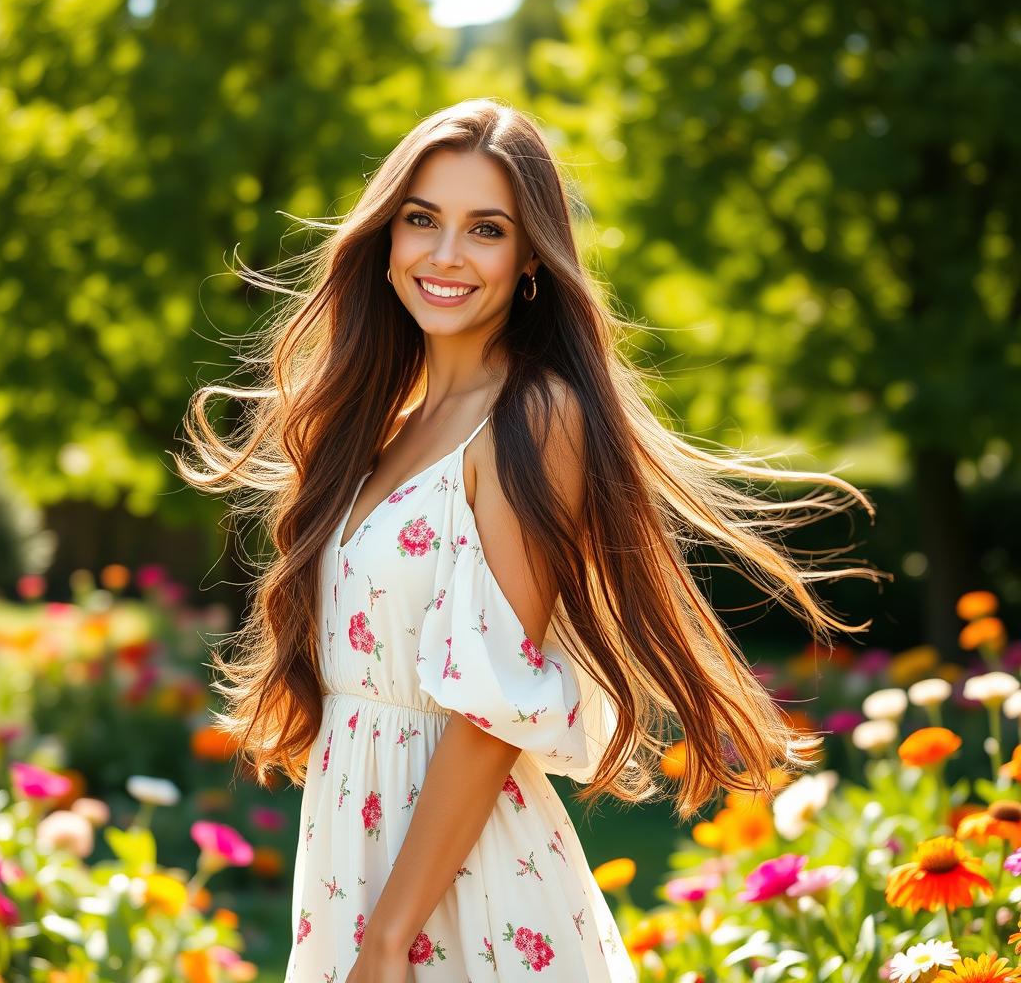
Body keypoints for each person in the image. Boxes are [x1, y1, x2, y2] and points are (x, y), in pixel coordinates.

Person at [175, 98, 884, 981]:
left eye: (486, 229)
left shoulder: (533, 418)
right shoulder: (383, 429)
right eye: (422, 219)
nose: (443, 254)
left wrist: (390, 940)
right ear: (386, 237)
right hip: (352, 858)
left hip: (459, 886)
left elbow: (493, 706)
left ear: (530, 261)